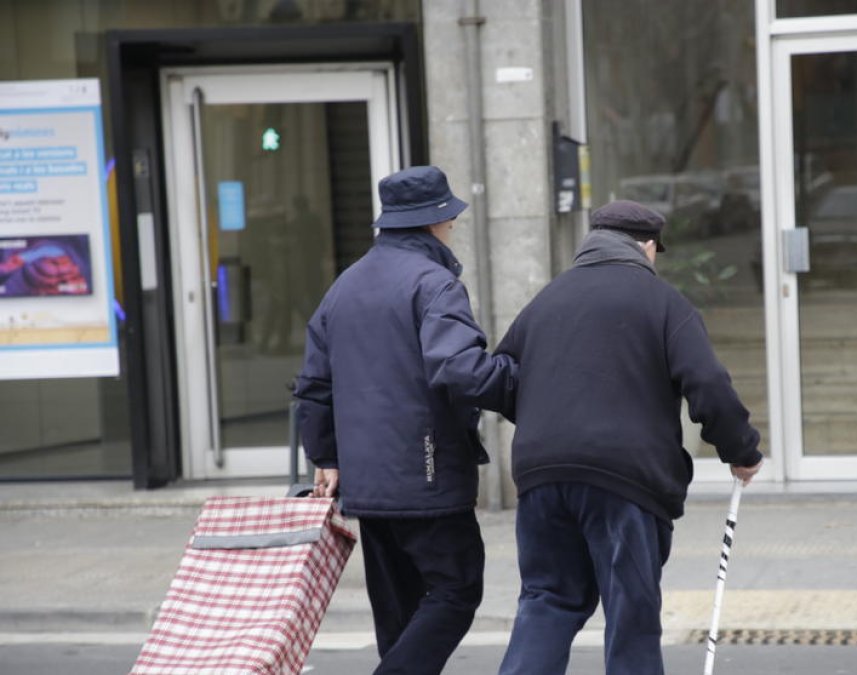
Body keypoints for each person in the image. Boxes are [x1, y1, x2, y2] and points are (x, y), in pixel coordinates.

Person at [494, 200, 764, 675]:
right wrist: (740, 452)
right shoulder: (662, 303)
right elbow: (708, 385)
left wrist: (547, 425)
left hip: (541, 473)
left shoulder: (545, 300)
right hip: (625, 482)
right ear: (645, 246)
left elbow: (500, 379)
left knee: (547, 600)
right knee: (630, 613)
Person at [292, 165, 516, 675]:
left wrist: (324, 454)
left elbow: (313, 383)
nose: (453, 228)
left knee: (397, 608)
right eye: (451, 220)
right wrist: (522, 387)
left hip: (366, 482)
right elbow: (461, 369)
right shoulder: (434, 284)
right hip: (426, 472)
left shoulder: (344, 285)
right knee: (457, 587)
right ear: (435, 222)